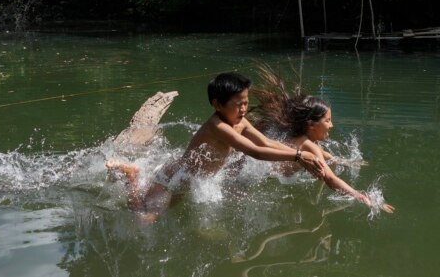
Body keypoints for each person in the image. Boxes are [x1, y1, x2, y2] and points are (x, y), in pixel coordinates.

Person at [106, 72, 326, 223]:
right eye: (237, 104)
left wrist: (300, 154)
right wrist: (298, 155)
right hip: (178, 176)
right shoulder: (218, 126)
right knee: (144, 217)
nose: (243, 109)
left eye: (245, 103)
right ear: (217, 105)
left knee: (163, 211)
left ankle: (137, 179)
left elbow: (267, 143)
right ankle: (131, 176)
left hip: (193, 180)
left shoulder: (240, 121)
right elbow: (254, 151)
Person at [250, 66, 395, 213]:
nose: (332, 125)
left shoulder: (301, 137)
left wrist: (344, 161)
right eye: (328, 121)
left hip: (260, 172)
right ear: (311, 124)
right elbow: (330, 179)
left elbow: (324, 154)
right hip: (261, 179)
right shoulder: (308, 146)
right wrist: (363, 198)